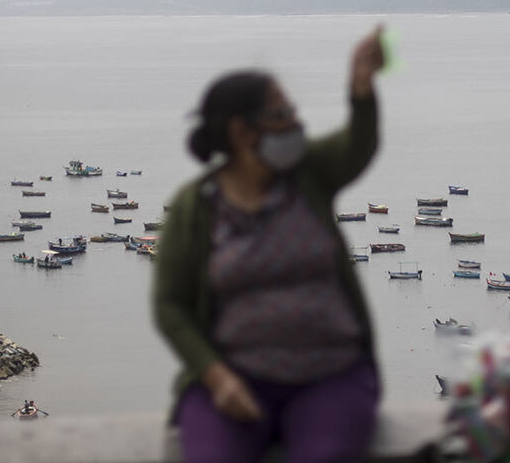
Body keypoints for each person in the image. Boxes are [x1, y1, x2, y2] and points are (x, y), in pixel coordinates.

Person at [153, 27, 386, 463]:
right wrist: (216, 376)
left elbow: (357, 146)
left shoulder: (308, 175)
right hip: (231, 376)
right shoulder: (195, 206)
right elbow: (170, 306)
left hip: (332, 374)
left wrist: (361, 88)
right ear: (242, 132)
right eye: (281, 114)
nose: (296, 124)